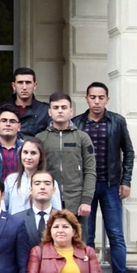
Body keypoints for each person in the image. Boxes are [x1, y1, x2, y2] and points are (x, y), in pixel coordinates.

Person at [72, 81, 136, 273]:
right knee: (86, 235)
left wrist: (126, 180)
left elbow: (128, 152)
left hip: (111, 185)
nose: (97, 101)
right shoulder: (77, 123)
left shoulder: (117, 121)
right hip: (85, 188)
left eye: (101, 97)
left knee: (116, 234)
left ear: (107, 99)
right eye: (93, 97)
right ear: (87, 99)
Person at [36, 93, 96, 232]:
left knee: (78, 241)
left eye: (64, 107)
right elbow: (35, 172)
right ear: (49, 112)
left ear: (71, 111)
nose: (60, 111)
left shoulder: (82, 138)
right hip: (49, 201)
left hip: (76, 203)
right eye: (56, 107)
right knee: (49, 240)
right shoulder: (40, 138)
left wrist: (86, 200)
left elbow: (90, 170)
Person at [5, 136, 62, 216]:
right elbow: (3, 209)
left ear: (40, 157)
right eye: (25, 152)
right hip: (15, 223)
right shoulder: (11, 180)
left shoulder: (49, 182)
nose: (28, 157)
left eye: (33, 153)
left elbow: (57, 212)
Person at [8, 67, 50, 136]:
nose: (24, 87)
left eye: (28, 82)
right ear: (14, 86)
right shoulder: (3, 109)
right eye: (20, 82)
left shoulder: (45, 111)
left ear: (35, 85)